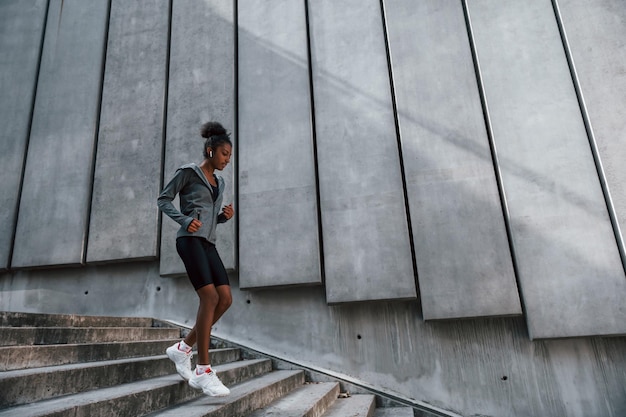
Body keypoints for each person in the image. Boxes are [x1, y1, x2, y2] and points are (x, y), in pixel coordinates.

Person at [157, 121, 234, 397]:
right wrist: (185, 219)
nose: (227, 160)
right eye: (225, 154)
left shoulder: (220, 182)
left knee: (225, 298)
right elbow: (163, 199)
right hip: (189, 242)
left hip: (208, 243)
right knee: (209, 298)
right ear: (211, 150)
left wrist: (222, 217)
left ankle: (182, 348)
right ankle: (203, 369)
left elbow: (209, 217)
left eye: (230, 156)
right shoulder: (189, 173)